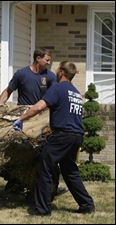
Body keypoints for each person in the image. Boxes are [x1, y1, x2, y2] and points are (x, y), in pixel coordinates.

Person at [13, 61, 95, 215]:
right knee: (70, 171)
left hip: (63, 136)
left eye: (57, 70)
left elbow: (39, 107)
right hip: (76, 136)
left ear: (62, 73)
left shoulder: (57, 88)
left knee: (44, 167)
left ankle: (42, 209)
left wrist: (21, 119)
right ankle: (87, 205)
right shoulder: (76, 93)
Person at [0, 47, 67, 197]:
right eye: (47, 60)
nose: (49, 63)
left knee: (44, 155)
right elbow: (8, 91)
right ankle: (15, 184)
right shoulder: (22, 74)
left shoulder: (50, 76)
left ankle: (49, 187)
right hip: (25, 119)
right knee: (21, 153)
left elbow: (55, 96)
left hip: (43, 121)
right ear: (38, 59)